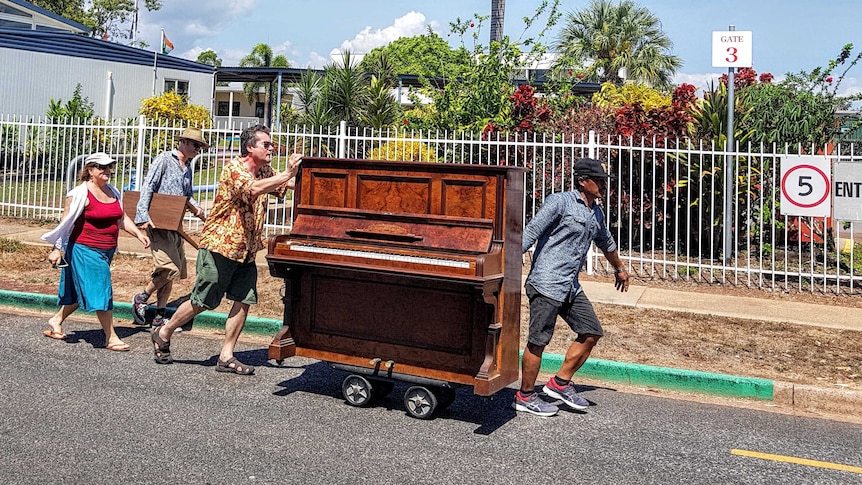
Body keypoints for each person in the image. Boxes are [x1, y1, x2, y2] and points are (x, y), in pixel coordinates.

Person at [150, 124, 302, 374]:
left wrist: (312, 178)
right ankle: (164, 331)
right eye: (266, 144)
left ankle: (226, 355)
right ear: (250, 147)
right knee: (204, 301)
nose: (271, 148)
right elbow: (252, 189)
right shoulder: (234, 169)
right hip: (220, 246)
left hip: (247, 249)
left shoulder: (264, 170)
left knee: (243, 300)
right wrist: (286, 174)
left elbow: (283, 185)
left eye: (271, 144)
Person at [514, 157, 630, 417]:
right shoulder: (560, 202)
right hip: (546, 283)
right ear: (582, 181)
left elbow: (606, 242)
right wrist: (506, 265)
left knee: (591, 332)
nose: (603, 185)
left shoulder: (595, 212)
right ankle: (525, 396)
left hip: (570, 286)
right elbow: (531, 232)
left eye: (604, 180)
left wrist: (619, 269)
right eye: (598, 180)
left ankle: (559, 383)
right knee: (538, 342)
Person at [40, 152, 151, 351]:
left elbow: (121, 218)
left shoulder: (112, 191)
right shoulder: (79, 194)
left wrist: (138, 234)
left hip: (106, 250)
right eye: (102, 167)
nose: (107, 170)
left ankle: (56, 320)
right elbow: (65, 224)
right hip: (84, 250)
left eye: (109, 167)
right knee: (101, 290)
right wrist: (57, 249)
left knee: (81, 291)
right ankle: (111, 337)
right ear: (90, 170)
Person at [131, 126, 208, 329]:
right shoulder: (164, 159)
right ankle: (142, 298)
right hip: (157, 222)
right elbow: (148, 186)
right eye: (195, 145)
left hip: (175, 224)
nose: (197, 149)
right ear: (183, 142)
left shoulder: (187, 166)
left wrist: (196, 208)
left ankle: (159, 314)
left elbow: (186, 194)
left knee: (174, 271)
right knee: (168, 267)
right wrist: (142, 216)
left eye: (199, 146)